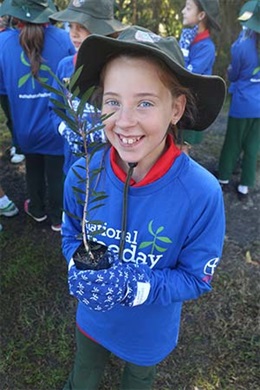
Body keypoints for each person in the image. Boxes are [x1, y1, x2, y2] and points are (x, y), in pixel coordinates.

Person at [61, 25, 226, 389]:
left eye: (145, 102)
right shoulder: (82, 175)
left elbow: (197, 277)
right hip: (93, 318)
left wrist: (136, 285)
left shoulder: (201, 194)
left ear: (176, 109)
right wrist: (77, 264)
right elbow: (72, 233)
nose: (124, 121)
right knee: (83, 375)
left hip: (149, 334)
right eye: (112, 101)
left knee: (138, 378)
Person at [0, 0, 76, 232]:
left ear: (17, 17)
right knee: (56, 173)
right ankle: (57, 218)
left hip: (25, 127)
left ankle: (37, 209)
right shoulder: (64, 39)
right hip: (56, 126)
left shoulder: (3, 43)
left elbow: (3, 89)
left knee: (33, 168)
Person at [49, 0, 127, 176]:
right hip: (74, 164)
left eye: (82, 26)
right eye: (71, 26)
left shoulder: (120, 70)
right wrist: (65, 130)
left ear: (103, 29)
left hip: (111, 165)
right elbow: (55, 107)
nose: (74, 33)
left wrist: (109, 135)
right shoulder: (65, 67)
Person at [218, 0, 260, 199]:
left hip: (243, 104)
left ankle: (224, 178)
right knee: (253, 145)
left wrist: (230, 73)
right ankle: (245, 185)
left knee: (233, 142)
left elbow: (233, 75)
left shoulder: (242, 45)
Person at [179, 0, 221, 153]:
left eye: (188, 8)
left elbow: (187, 75)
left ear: (201, 15)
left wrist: (182, 51)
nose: (183, 11)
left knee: (182, 147)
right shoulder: (189, 39)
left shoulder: (206, 47)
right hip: (180, 102)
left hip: (192, 106)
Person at [0, 8, 25, 164]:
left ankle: (20, 146)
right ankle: (17, 143)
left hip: (14, 85)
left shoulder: (11, 36)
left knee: (18, 117)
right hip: (2, 87)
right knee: (10, 118)